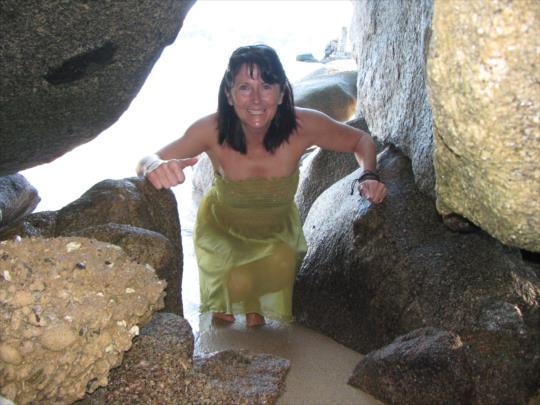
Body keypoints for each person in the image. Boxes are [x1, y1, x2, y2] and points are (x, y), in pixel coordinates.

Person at [136, 44, 387, 327]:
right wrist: (155, 167)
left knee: (258, 319)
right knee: (223, 315)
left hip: (276, 236)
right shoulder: (211, 130)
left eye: (266, 86)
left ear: (281, 93)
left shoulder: (303, 125)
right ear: (229, 94)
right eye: (244, 87)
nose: (256, 99)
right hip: (221, 233)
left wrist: (369, 175)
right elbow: (147, 159)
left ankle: (255, 319)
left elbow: (361, 140)